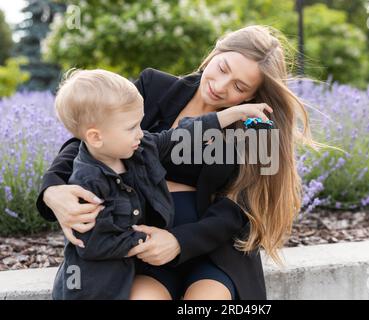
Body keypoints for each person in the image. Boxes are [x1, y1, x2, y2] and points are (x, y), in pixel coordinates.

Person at [37, 25, 321, 300]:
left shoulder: (259, 128)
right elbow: (88, 139)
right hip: (145, 245)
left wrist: (179, 242)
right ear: (215, 53)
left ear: (252, 95)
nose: (220, 87)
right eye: (222, 68)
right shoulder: (153, 87)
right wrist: (52, 190)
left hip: (214, 249)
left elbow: (245, 207)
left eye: (239, 86)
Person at [50, 68, 271, 299]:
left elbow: (179, 135)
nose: (141, 133)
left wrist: (234, 114)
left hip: (212, 251)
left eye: (240, 86)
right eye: (132, 128)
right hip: (118, 275)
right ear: (96, 137)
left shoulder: (137, 146)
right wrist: (145, 239)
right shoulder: (89, 183)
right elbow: (96, 241)